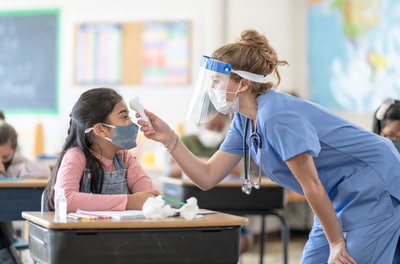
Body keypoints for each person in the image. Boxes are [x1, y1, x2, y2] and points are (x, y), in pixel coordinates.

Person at [136, 29, 400, 263]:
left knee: (345, 257)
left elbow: (311, 184)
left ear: (243, 84)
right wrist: (170, 139)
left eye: (216, 81)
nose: (211, 88)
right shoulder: (243, 120)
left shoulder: (277, 115)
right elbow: (207, 176)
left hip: (375, 184)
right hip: (338, 195)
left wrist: (335, 242)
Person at [45, 88, 158, 212]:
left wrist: (148, 200)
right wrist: (129, 201)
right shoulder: (76, 156)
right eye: (124, 117)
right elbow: (65, 200)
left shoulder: (125, 158)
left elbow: (150, 198)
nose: (131, 123)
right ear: (100, 129)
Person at [168, 113, 250, 252]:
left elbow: (239, 169)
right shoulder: (186, 141)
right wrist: (205, 164)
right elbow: (171, 171)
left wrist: (203, 166)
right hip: (193, 201)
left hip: (224, 201)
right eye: (211, 126)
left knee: (243, 240)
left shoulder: (227, 142)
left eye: (219, 128)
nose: (214, 131)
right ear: (200, 124)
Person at [0, 112, 51, 264]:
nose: (2, 160)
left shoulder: (16, 159)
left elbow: (44, 171)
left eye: (5, 157)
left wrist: (11, 171)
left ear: (14, 151)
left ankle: (9, 257)